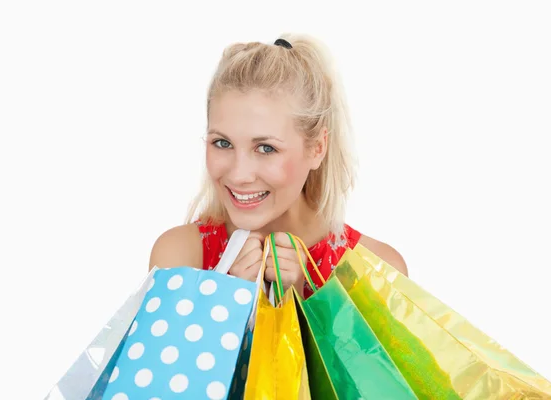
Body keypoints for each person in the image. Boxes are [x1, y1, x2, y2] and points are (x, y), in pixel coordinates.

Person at [149, 34, 408, 299]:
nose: (239, 175)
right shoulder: (181, 257)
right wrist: (230, 300)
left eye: (266, 148)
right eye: (223, 143)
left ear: (318, 148)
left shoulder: (376, 273)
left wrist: (292, 302)